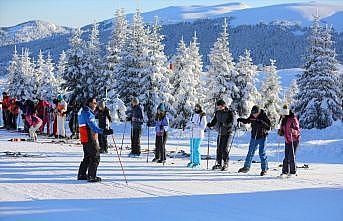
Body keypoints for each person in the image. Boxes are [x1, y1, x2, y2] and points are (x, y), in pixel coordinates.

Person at [77, 97, 113, 182]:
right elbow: (94, 128)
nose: (95, 105)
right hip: (89, 137)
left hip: (84, 137)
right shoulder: (88, 113)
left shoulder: (82, 111)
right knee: (95, 156)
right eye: (94, 103)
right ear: (89, 103)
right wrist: (105, 131)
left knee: (87, 156)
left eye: (95, 103)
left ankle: (82, 174)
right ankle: (92, 176)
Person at [237, 105, 271, 176]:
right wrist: (241, 119)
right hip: (254, 137)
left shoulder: (264, 116)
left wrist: (261, 122)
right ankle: (246, 167)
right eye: (253, 114)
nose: (254, 115)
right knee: (250, 152)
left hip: (262, 137)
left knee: (262, 153)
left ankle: (264, 169)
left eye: (255, 114)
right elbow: (247, 121)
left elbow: (268, 127)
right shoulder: (252, 115)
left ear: (258, 112)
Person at [207, 99, 234, 171]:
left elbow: (231, 122)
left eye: (219, 107)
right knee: (219, 148)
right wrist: (210, 124)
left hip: (228, 132)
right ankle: (219, 163)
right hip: (220, 132)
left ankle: (226, 162)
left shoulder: (229, 112)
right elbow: (215, 120)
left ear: (223, 106)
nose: (218, 108)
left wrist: (225, 124)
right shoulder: (217, 113)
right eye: (217, 107)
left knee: (224, 148)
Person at [278, 105, 301, 178]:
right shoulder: (283, 120)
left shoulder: (293, 118)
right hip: (287, 140)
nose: (283, 115)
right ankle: (285, 172)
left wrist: (293, 131)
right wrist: (281, 132)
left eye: (284, 113)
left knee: (291, 156)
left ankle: (293, 172)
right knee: (286, 157)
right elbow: (282, 129)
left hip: (294, 140)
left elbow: (298, 131)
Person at [187, 104, 207, 168]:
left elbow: (203, 126)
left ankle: (197, 162)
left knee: (196, 149)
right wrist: (188, 125)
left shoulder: (202, 116)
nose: (196, 109)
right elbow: (190, 122)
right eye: (195, 108)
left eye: (198, 108)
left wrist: (196, 126)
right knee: (191, 149)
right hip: (192, 134)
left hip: (198, 135)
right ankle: (192, 161)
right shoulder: (193, 115)